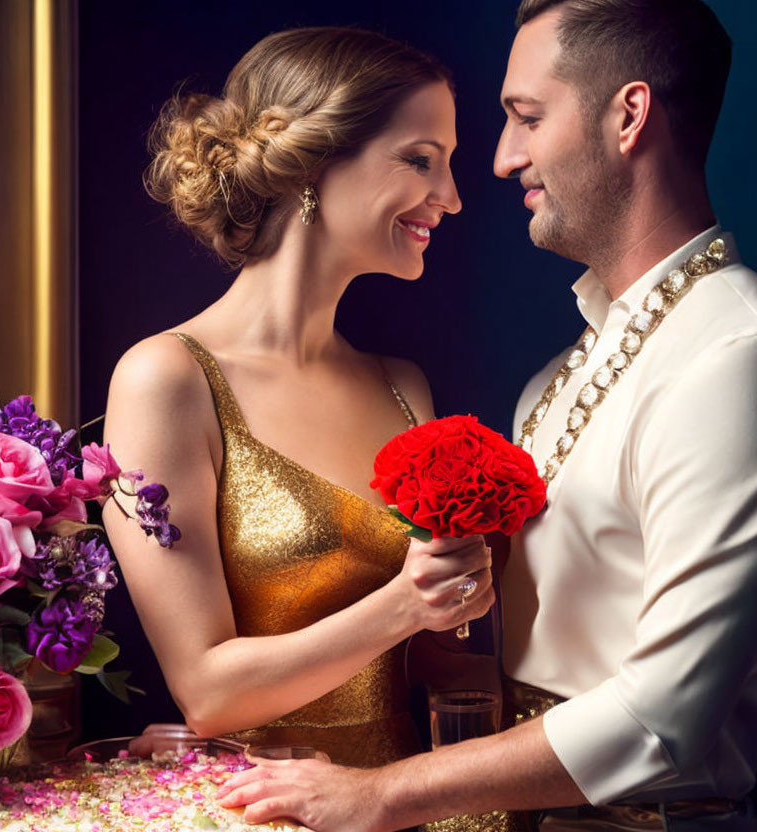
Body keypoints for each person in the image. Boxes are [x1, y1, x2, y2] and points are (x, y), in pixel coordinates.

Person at [215, 2, 757, 830]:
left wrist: (380, 794)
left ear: (629, 117)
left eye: (527, 118)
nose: (501, 158)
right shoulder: (561, 375)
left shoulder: (745, 364)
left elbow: (663, 723)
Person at [101, 26, 496, 771]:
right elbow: (208, 692)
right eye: (421, 161)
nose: (450, 197)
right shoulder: (168, 380)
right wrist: (406, 604)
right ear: (312, 164)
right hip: (269, 812)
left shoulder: (402, 386)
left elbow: (448, 667)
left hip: (413, 797)